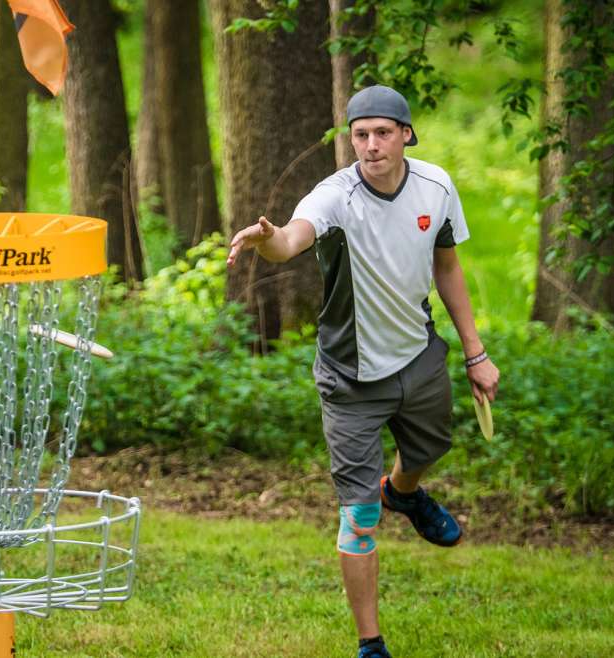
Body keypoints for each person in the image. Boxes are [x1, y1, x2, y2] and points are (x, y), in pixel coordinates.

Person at [226, 85, 500, 658]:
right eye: (360, 135)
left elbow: (446, 266)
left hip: (418, 358)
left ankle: (405, 492)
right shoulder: (335, 196)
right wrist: (268, 240)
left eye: (381, 133)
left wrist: (475, 354)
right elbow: (294, 238)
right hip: (349, 376)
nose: (370, 146)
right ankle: (371, 644)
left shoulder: (437, 186)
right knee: (358, 515)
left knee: (427, 452)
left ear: (405, 134)